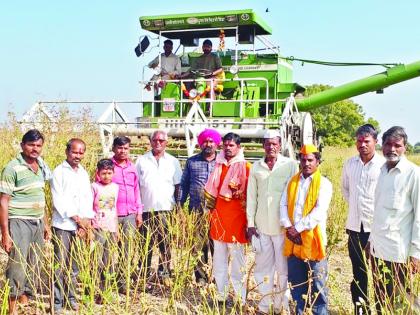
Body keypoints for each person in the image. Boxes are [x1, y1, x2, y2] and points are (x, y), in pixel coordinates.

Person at [368, 126, 420, 314]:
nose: (392, 149)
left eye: (397, 145)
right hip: (378, 250)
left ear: (405, 147)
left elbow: (419, 218)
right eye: (388, 144)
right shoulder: (381, 171)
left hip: (399, 254)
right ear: (382, 146)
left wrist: (416, 254)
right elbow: (379, 211)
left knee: (399, 303)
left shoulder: (414, 174)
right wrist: (370, 241)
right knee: (380, 300)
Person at [0, 129, 52, 315]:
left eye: (38, 145)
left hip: (37, 222)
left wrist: (45, 222)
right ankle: (11, 309)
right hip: (19, 221)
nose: (34, 149)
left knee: (34, 263)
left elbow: (40, 196)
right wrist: (5, 233)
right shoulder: (12, 168)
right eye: (31, 145)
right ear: (23, 145)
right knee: (17, 266)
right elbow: (4, 201)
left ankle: (24, 302)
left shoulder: (41, 166)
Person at [246, 130, 298, 314]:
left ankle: (281, 305)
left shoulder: (290, 165)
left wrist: (293, 225)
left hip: (282, 227)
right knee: (263, 268)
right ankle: (264, 306)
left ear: (280, 144)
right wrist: (250, 224)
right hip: (261, 227)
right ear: (263, 145)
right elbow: (252, 197)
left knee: (283, 269)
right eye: (268, 143)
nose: (271, 147)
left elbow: (295, 195)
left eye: (275, 143)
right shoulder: (256, 167)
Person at [280, 144, 333, 315]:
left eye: (310, 160)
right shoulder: (292, 181)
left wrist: (297, 228)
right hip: (293, 240)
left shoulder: (324, 184)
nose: (306, 163)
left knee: (318, 284)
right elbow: (283, 204)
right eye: (303, 159)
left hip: (314, 241)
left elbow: (319, 211)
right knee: (296, 283)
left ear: (318, 161)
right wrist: (289, 227)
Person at [341, 124, 385, 314]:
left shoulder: (384, 166)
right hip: (354, 227)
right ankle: (362, 310)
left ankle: (383, 309)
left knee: (381, 274)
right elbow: (345, 190)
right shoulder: (350, 164)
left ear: (376, 142)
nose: (362, 145)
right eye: (359, 141)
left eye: (367, 141)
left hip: (377, 230)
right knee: (359, 272)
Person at [204, 132, 251, 304]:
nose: (228, 148)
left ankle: (240, 298)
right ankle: (221, 295)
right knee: (219, 261)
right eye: (226, 145)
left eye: (232, 145)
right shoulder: (218, 165)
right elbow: (211, 193)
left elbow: (250, 197)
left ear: (238, 147)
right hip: (218, 219)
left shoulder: (246, 168)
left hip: (237, 222)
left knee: (238, 263)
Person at [50, 138, 95, 312]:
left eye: (81, 152)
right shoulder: (59, 172)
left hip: (81, 225)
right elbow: (59, 200)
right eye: (75, 152)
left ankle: (71, 298)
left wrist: (86, 223)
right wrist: (78, 219)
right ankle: (57, 303)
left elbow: (87, 198)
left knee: (74, 265)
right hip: (63, 224)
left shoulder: (83, 173)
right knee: (60, 264)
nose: (78, 155)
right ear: (67, 152)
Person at [136, 130, 182, 280]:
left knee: (165, 243)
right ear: (150, 141)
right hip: (146, 209)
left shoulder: (173, 161)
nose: (158, 143)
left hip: (166, 210)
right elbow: (135, 186)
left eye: (161, 141)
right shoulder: (141, 160)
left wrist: (179, 209)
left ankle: (164, 273)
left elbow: (178, 186)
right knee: (145, 243)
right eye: (155, 140)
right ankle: (144, 273)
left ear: (166, 143)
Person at [179, 128, 221, 284]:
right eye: (205, 141)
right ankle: (201, 277)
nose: (208, 144)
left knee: (217, 246)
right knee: (198, 245)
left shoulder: (222, 162)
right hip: (196, 211)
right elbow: (184, 184)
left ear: (217, 144)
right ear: (200, 144)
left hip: (218, 212)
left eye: (211, 141)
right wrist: (180, 205)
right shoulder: (192, 161)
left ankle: (218, 277)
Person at [111, 136, 143, 293]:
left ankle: (123, 283)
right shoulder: (107, 167)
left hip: (130, 214)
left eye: (126, 148)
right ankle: (106, 282)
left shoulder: (132, 168)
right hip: (112, 216)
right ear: (113, 148)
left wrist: (139, 213)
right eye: (120, 148)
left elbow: (137, 190)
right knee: (108, 250)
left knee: (127, 249)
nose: (122, 151)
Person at [91, 158, 120, 305]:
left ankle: (104, 292)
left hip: (110, 228)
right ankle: (93, 290)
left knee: (108, 261)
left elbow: (114, 209)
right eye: (103, 173)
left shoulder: (115, 188)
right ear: (98, 173)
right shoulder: (94, 187)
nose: (106, 176)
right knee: (96, 261)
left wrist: (116, 230)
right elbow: (90, 208)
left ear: (113, 173)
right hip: (97, 228)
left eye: (109, 173)